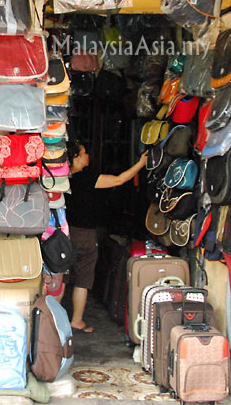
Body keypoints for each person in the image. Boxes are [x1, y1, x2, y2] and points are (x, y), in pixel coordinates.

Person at [63, 142, 147, 333]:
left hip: (64, 233)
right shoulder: (86, 178)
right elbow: (118, 180)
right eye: (84, 153)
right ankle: (76, 320)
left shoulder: (61, 179)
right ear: (75, 157)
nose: (88, 157)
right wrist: (141, 164)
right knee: (83, 279)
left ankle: (51, 320)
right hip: (85, 235)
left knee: (59, 277)